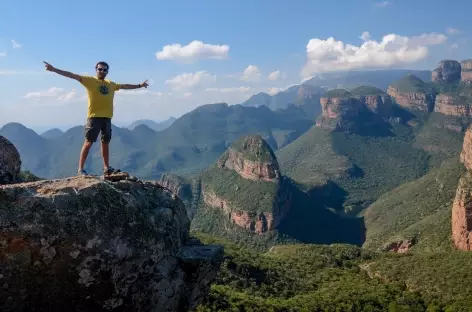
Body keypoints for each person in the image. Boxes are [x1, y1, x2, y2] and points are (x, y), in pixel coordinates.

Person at [43, 61, 149, 176]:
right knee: (88, 143)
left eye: (104, 70)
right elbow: (72, 75)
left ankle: (106, 168)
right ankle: (80, 169)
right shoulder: (90, 81)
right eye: (100, 69)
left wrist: (139, 86)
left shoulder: (111, 84)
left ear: (107, 71)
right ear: (96, 69)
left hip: (107, 117)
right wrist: (54, 69)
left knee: (105, 142)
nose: (102, 71)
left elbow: (124, 86)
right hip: (94, 117)